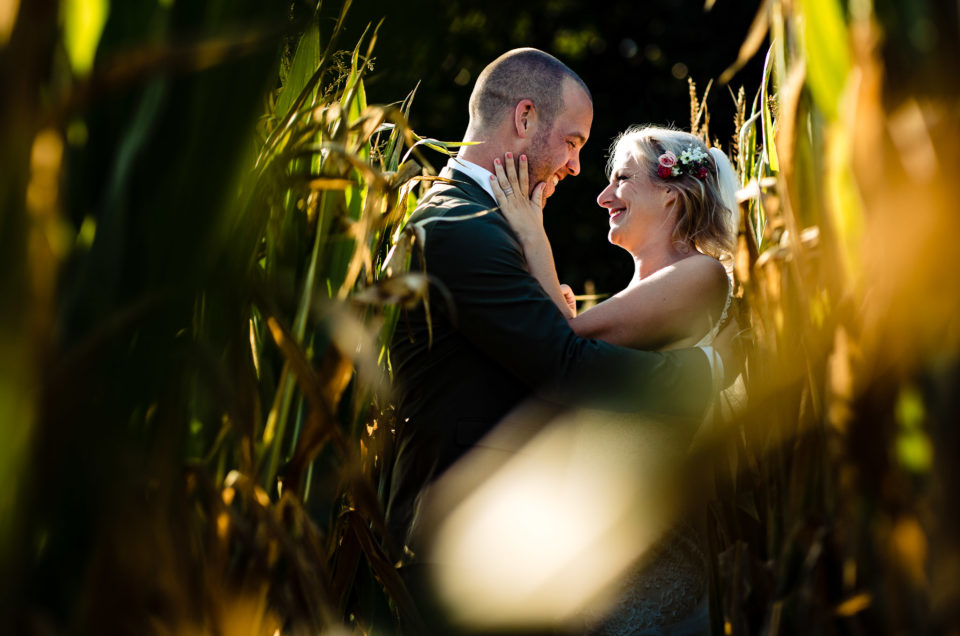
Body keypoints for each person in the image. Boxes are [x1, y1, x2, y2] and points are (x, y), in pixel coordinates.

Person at [382, 48, 727, 630]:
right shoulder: (461, 227)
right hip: (461, 535)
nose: (575, 167)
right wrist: (702, 374)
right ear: (523, 118)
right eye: (571, 142)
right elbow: (564, 363)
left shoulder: (485, 222)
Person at [489, 126, 740, 634]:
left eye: (622, 179)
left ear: (671, 193)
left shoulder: (702, 274)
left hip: (654, 557)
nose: (604, 196)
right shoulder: (641, 290)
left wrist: (530, 227)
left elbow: (558, 344)